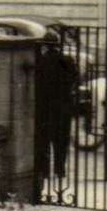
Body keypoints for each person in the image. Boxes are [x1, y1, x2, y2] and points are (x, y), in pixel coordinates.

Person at [34, 40, 79, 187]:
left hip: (45, 106)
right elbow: (75, 79)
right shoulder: (67, 61)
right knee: (61, 139)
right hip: (63, 106)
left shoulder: (41, 61)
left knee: (44, 139)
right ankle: (60, 170)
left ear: (45, 46)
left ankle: (45, 170)